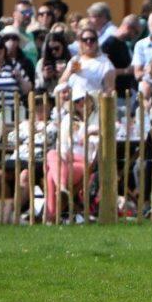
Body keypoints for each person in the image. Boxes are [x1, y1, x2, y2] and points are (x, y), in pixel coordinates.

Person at [45, 93, 98, 223]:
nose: (81, 102)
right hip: (66, 162)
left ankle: (51, 216)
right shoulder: (68, 119)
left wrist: (89, 132)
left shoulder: (98, 119)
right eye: (77, 100)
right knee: (51, 154)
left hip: (85, 163)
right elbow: (62, 147)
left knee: (52, 175)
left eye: (84, 98)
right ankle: (61, 188)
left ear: (91, 100)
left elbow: (101, 143)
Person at [58, 27, 116, 99]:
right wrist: (70, 72)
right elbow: (61, 83)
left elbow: (109, 91)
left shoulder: (105, 63)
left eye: (92, 39)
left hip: (93, 105)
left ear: (97, 42)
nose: (89, 42)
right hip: (74, 105)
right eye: (85, 40)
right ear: (80, 43)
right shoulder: (76, 60)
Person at [100, 15, 138, 99]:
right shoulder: (109, 44)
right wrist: (126, 71)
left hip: (126, 93)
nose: (135, 36)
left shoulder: (124, 44)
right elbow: (103, 70)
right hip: (115, 94)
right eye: (136, 32)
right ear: (128, 27)